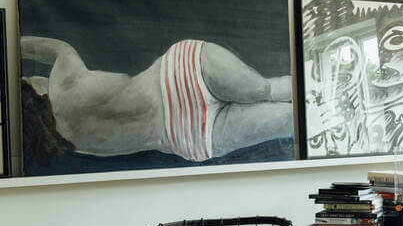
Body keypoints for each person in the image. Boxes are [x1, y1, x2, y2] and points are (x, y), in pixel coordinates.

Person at [21, 36, 292, 162]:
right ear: (34, 87)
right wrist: (13, 44)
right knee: (267, 90)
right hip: (181, 77)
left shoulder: (67, 145)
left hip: (188, 135)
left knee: (291, 120)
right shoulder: (63, 84)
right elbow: (59, 49)